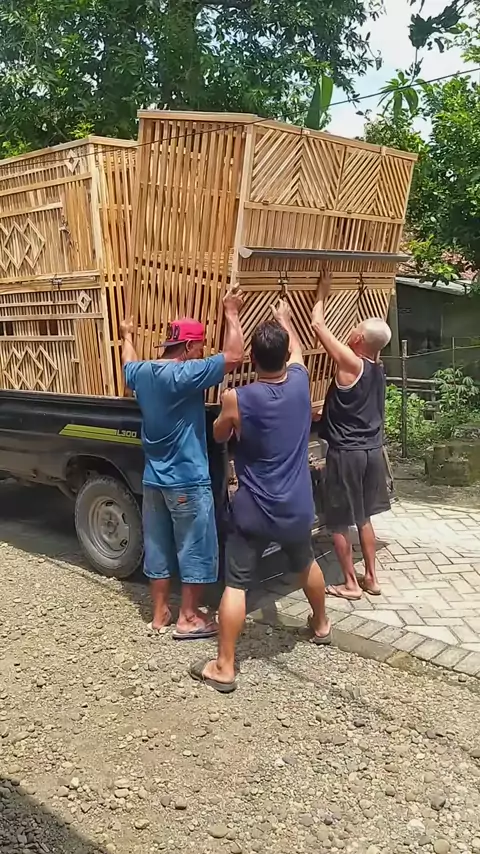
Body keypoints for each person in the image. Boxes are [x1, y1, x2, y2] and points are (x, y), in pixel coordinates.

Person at [189, 300, 331, 693]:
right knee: (305, 562)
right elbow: (298, 350)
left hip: (253, 508)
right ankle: (321, 625)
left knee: (237, 584)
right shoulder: (301, 382)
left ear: (252, 358)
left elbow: (219, 434)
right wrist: (285, 319)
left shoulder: (238, 397)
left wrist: (230, 421)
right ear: (286, 356)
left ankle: (224, 666)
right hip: (296, 504)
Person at [120, 288, 244, 639]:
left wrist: (127, 335)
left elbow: (127, 364)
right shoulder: (184, 375)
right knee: (195, 546)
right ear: (188, 347)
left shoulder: (143, 372)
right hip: (187, 479)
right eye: (200, 347)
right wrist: (231, 312)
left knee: (158, 545)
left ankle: (159, 613)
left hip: (154, 479)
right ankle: (188, 617)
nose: (202, 352)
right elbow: (234, 356)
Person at [311, 272, 392, 601]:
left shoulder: (351, 362)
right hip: (372, 451)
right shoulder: (377, 367)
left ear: (358, 337)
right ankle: (371, 577)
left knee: (339, 521)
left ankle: (350, 583)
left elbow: (318, 326)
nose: (352, 330)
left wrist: (322, 293)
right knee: (364, 517)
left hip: (347, 453)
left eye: (356, 328)